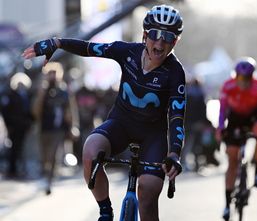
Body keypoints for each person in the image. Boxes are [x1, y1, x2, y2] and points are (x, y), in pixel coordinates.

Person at [22, 4, 185, 221]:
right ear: (145, 35)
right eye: (155, 35)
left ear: (175, 42)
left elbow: (176, 116)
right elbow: (90, 48)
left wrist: (174, 153)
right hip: (120, 124)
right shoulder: (127, 52)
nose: (160, 42)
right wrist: (57, 43)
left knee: (147, 194)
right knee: (90, 152)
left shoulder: (175, 72)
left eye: (168, 38)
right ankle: (105, 211)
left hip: (152, 136)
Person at [215, 57, 257, 220]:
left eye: (247, 79)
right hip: (235, 119)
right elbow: (222, 109)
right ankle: (226, 204)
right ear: (235, 76)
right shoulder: (228, 86)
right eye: (240, 78)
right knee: (232, 160)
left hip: (253, 117)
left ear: (252, 77)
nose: (244, 82)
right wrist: (220, 127)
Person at [31, 62, 78, 195]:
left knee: (53, 156)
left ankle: (49, 180)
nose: (52, 76)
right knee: (44, 157)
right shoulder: (42, 91)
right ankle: (46, 176)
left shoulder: (64, 92)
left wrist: (73, 126)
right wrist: (41, 94)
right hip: (43, 129)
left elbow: (71, 110)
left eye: (54, 73)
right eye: (50, 73)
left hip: (58, 130)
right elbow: (35, 111)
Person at [0, 72, 34, 178]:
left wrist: (29, 123)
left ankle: (20, 169)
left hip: (23, 127)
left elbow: (29, 112)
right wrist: (9, 125)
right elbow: (5, 112)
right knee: (13, 149)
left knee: (21, 148)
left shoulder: (26, 96)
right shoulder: (10, 96)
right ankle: (12, 170)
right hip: (13, 127)